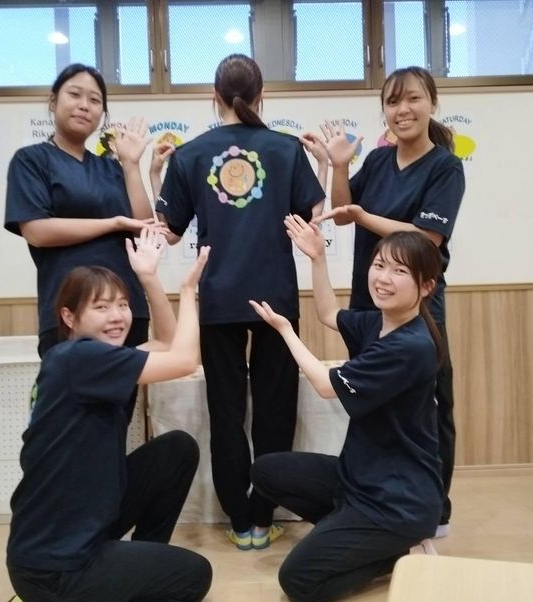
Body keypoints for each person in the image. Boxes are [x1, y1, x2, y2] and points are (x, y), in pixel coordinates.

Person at [155, 54, 325, 550]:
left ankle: (240, 521)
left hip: (217, 298)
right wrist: (327, 164)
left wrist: (150, 172)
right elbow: (313, 219)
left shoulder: (190, 155)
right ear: (261, 96)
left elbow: (166, 232)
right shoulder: (286, 149)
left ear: (214, 96)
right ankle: (264, 516)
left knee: (225, 410)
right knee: (276, 408)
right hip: (276, 297)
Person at [6, 228, 213, 602]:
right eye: (101, 308)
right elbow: (184, 360)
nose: (117, 316)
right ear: (69, 317)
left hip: (78, 529)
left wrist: (148, 278)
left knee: (176, 450)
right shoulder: (81, 358)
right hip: (54, 568)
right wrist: (187, 292)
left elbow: (166, 342)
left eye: (122, 305)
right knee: (193, 576)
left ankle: (140, 564)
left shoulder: (83, 359)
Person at [249, 218, 444, 601]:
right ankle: (358, 535)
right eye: (380, 265)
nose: (383, 278)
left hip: (398, 500)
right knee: (266, 471)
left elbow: (325, 386)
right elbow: (328, 313)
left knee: (298, 580)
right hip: (359, 477)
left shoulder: (410, 346)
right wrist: (317, 258)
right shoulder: (380, 323)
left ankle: (399, 553)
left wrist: (285, 330)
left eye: (399, 271)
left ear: (426, 287)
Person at [317, 66, 465, 536]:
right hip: (369, 304)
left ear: (432, 104)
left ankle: (433, 509)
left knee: (430, 408)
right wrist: (340, 168)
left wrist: (365, 216)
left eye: (413, 99)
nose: (403, 110)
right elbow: (343, 215)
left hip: (419, 310)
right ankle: (374, 497)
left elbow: (426, 238)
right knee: (371, 405)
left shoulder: (445, 166)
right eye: (393, 101)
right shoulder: (379, 161)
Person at [4, 63, 163, 357]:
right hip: (70, 311)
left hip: (126, 309)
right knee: (72, 388)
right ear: (53, 102)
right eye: (75, 95)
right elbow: (37, 231)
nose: (84, 106)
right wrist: (112, 223)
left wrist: (130, 165)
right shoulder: (31, 160)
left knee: (124, 388)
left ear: (102, 113)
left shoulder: (111, 168)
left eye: (94, 100)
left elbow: (143, 229)